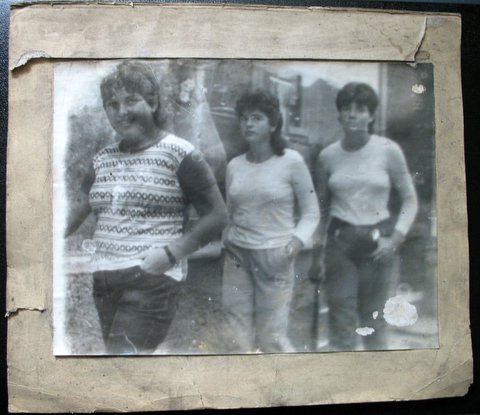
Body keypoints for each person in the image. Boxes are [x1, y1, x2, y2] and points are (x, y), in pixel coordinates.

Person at [65, 61, 228, 354]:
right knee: (120, 363)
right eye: (112, 104)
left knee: (122, 363)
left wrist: (169, 254)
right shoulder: (101, 159)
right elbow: (72, 215)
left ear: (152, 102)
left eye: (131, 100)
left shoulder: (180, 154)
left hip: (151, 279)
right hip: (105, 279)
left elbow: (218, 215)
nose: (121, 111)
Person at [310, 82, 418, 351]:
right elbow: (321, 210)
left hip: (377, 243)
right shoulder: (327, 157)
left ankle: (377, 375)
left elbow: (410, 199)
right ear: (339, 114)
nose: (352, 114)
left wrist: (395, 239)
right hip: (340, 243)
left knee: (374, 321)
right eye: (346, 108)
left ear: (370, 116)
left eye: (360, 109)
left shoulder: (388, 150)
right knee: (341, 320)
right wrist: (316, 256)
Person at [222, 90, 320, 353]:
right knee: (235, 336)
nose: (248, 124)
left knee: (271, 338)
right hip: (237, 256)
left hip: (275, 257)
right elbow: (231, 213)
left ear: (273, 124)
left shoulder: (291, 162)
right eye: (244, 118)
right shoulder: (234, 166)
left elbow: (311, 212)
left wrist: (294, 245)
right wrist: (226, 242)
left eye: (257, 118)